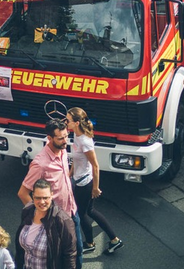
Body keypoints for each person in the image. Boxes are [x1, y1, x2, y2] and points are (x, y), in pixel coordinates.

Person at [18, 119, 83, 269]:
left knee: (77, 252)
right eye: (60, 138)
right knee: (61, 259)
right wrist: (42, 215)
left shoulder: (62, 151)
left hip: (72, 212)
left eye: (66, 136)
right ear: (49, 138)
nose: (65, 141)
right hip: (55, 220)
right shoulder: (41, 164)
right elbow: (23, 193)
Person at [66, 107, 123, 255]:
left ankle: (90, 243)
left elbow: (95, 165)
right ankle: (114, 240)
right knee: (90, 211)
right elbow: (76, 160)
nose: (66, 122)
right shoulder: (76, 135)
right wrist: (69, 174)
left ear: (76, 123)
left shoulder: (85, 142)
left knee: (82, 213)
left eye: (68, 120)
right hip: (79, 180)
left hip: (85, 183)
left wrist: (95, 188)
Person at [16, 179, 76, 269]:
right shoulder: (27, 211)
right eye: (38, 198)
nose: (42, 202)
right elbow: (21, 250)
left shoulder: (62, 220)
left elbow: (70, 254)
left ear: (51, 195)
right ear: (33, 196)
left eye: (45, 198)